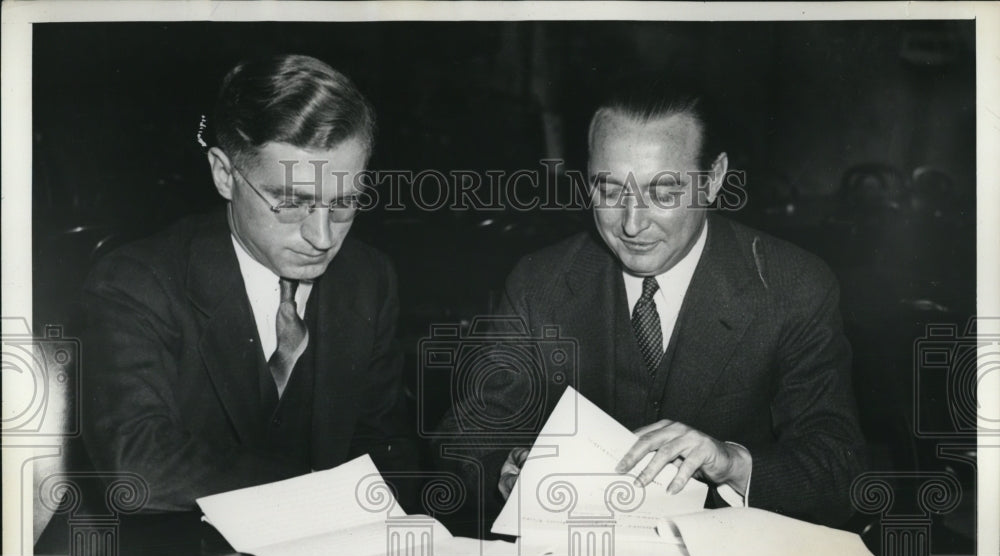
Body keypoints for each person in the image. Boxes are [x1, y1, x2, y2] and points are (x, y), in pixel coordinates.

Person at [437, 80, 867, 528]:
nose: (631, 223)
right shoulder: (539, 281)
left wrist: (732, 463)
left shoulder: (791, 285)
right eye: (608, 190)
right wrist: (507, 472)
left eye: (662, 193)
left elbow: (840, 469)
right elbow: (467, 436)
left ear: (714, 178)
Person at [81, 54, 416, 511]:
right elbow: (137, 467)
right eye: (291, 203)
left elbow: (388, 453)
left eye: (345, 201)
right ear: (224, 174)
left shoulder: (368, 278)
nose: (322, 237)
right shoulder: (136, 283)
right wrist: (321, 495)